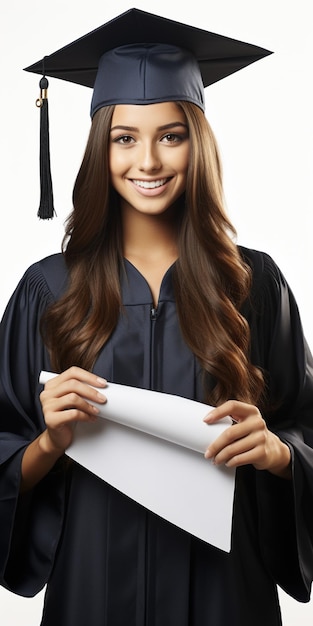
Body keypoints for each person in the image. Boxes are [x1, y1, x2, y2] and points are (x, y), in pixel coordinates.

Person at [0, 8, 313, 626]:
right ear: (101, 147)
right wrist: (48, 442)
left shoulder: (254, 283)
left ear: (197, 142)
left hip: (227, 593)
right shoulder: (47, 288)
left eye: (171, 135)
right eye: (125, 137)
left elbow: (305, 424)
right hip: (93, 590)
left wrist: (279, 455)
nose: (149, 160)